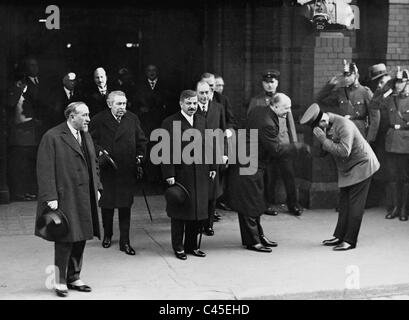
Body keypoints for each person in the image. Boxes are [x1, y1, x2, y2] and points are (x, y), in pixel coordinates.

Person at [34, 102, 102, 297]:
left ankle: (74, 277)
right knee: (64, 238)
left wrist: (97, 187)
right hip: (64, 196)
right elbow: (44, 169)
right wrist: (50, 196)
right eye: (85, 115)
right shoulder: (53, 136)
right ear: (72, 116)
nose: (89, 119)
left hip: (84, 195)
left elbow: (94, 162)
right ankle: (60, 281)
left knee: (80, 236)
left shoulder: (85, 134)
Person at [228, 93, 310, 253]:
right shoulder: (267, 123)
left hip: (249, 160)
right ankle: (253, 241)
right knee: (250, 202)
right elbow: (276, 150)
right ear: (275, 105)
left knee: (255, 201)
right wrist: (298, 147)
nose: (288, 111)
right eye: (286, 108)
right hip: (250, 162)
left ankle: (257, 236)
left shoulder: (259, 110)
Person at [300, 103, 379, 250]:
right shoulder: (325, 125)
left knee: (355, 206)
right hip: (348, 168)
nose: (317, 131)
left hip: (362, 165)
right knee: (344, 204)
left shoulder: (344, 125)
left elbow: (344, 151)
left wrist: (323, 139)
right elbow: (322, 153)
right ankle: (340, 237)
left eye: (317, 128)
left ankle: (349, 241)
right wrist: (308, 148)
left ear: (323, 121)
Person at [89, 91, 147, 255]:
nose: (122, 107)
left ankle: (125, 242)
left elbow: (141, 140)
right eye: (118, 104)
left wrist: (140, 156)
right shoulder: (99, 119)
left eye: (124, 104)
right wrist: (100, 152)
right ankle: (107, 235)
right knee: (107, 206)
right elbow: (89, 141)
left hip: (126, 170)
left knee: (125, 206)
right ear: (109, 104)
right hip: (107, 169)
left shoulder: (132, 118)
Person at [160, 90, 216, 260]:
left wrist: (212, 166)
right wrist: (169, 173)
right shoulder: (170, 122)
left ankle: (192, 246)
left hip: (200, 173)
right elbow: (165, 149)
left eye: (195, 103)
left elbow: (208, 144)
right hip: (181, 174)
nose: (192, 106)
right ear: (181, 104)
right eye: (189, 103)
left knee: (196, 212)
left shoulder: (201, 120)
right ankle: (178, 247)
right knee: (179, 211)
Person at [247, 69, 302, 216]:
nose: (269, 85)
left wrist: (294, 143)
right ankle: (266, 204)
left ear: (277, 83)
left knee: (289, 176)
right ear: (262, 83)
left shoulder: (283, 100)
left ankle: (293, 204)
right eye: (266, 82)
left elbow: (291, 124)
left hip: (283, 145)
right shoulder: (256, 101)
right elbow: (251, 122)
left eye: (272, 82)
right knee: (268, 177)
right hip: (266, 147)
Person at [201, 72, 237, 214]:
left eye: (212, 86)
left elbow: (231, 120)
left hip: (218, 141)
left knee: (217, 176)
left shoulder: (222, 100)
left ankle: (215, 205)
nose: (210, 89)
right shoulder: (195, 98)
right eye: (206, 85)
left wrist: (228, 130)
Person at [195, 80, 227, 236]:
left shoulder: (218, 108)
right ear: (196, 93)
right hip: (196, 155)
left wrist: (225, 153)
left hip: (214, 154)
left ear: (211, 93)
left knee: (212, 192)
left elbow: (223, 131)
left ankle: (209, 224)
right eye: (201, 93)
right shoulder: (192, 108)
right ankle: (199, 223)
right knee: (200, 190)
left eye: (207, 92)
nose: (204, 96)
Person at [379, 68, 409, 221]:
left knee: (404, 178)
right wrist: (388, 85)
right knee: (392, 177)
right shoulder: (390, 99)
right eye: (396, 82)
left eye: (401, 82)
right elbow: (375, 102)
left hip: (405, 143)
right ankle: (395, 207)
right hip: (391, 142)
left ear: (407, 83)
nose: (398, 85)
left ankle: (404, 209)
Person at [316, 59, 373, 137]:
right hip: (343, 131)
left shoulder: (365, 92)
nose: (346, 78)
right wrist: (330, 85)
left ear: (356, 75)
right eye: (345, 75)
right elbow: (319, 99)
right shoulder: (341, 92)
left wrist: (370, 137)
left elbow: (373, 117)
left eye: (349, 75)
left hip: (359, 132)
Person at [135, 64, 170, 185]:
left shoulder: (164, 86)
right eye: (149, 70)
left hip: (160, 123)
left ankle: (159, 177)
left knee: (160, 148)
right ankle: (148, 177)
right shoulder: (140, 86)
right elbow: (136, 104)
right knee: (147, 148)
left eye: (154, 70)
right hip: (146, 124)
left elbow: (167, 103)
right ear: (145, 72)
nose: (151, 73)